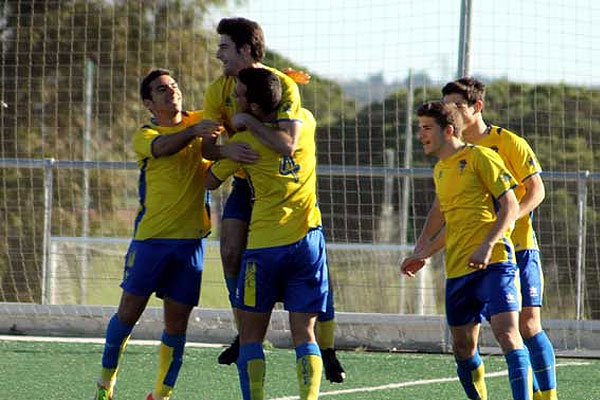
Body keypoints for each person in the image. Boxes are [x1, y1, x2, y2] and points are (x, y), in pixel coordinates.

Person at [202, 16, 345, 383]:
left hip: (287, 193)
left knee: (315, 275)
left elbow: (288, 143)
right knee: (231, 253)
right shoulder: (217, 90)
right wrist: (227, 149)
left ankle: (327, 351)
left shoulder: (283, 86)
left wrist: (248, 129)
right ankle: (245, 329)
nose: (218, 54)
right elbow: (207, 149)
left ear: (246, 49)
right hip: (246, 183)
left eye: (224, 47)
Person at [93, 69, 221, 400]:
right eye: (162, 90)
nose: (171, 91)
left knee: (177, 325)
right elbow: (164, 147)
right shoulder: (147, 134)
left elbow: (234, 106)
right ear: (150, 103)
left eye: (174, 85)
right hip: (151, 241)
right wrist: (194, 131)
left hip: (191, 243)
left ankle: (161, 395)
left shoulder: (200, 119)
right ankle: (105, 386)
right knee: (127, 314)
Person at [400, 101, 533, 400]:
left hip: (495, 262)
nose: (420, 135)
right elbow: (448, 219)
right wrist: (422, 253)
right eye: (419, 128)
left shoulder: (480, 157)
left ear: (448, 130)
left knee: (508, 335)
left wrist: (487, 245)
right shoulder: (440, 171)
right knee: (462, 348)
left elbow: (510, 205)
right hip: (459, 268)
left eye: (426, 128)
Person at [442, 77, 556, 400]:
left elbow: (537, 191)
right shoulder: (453, 154)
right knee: (470, 339)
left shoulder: (508, 143)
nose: (450, 113)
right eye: (446, 107)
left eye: (457, 106)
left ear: (476, 108)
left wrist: (506, 221)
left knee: (528, 325)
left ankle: (548, 396)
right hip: (477, 256)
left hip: (516, 249)